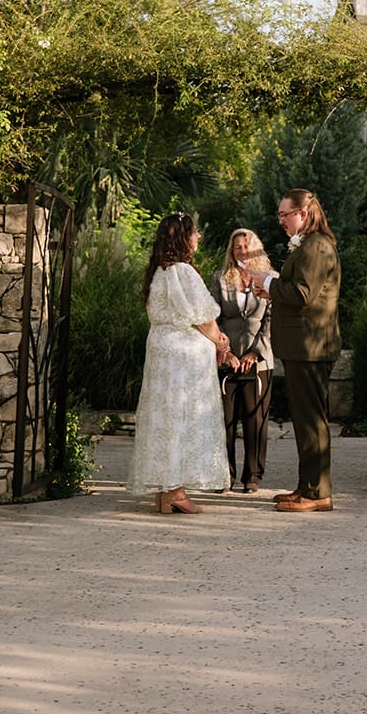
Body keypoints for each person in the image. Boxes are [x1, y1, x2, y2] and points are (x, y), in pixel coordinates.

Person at [126, 212, 232, 514]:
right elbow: (202, 316)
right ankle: (176, 491)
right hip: (182, 357)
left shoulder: (158, 272)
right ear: (183, 238)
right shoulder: (183, 272)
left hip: (161, 351)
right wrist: (220, 341)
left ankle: (165, 489)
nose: (198, 237)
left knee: (164, 417)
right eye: (194, 233)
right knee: (183, 418)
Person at [250, 189, 341, 513]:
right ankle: (308, 486)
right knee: (304, 421)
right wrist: (273, 286)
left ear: (303, 213)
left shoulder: (316, 246)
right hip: (302, 346)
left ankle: (317, 493)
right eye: (280, 215)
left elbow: (303, 293)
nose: (281, 221)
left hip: (310, 347)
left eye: (285, 214)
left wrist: (270, 283)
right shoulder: (309, 245)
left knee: (312, 421)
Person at [210, 228, 274, 492]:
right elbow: (211, 316)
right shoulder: (219, 279)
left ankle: (253, 476)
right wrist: (223, 351)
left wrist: (254, 352)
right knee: (224, 420)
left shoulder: (271, 279)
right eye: (237, 247)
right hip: (226, 359)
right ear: (231, 251)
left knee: (255, 420)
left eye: (246, 246)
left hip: (258, 360)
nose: (242, 251)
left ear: (255, 249)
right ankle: (225, 475)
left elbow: (272, 320)